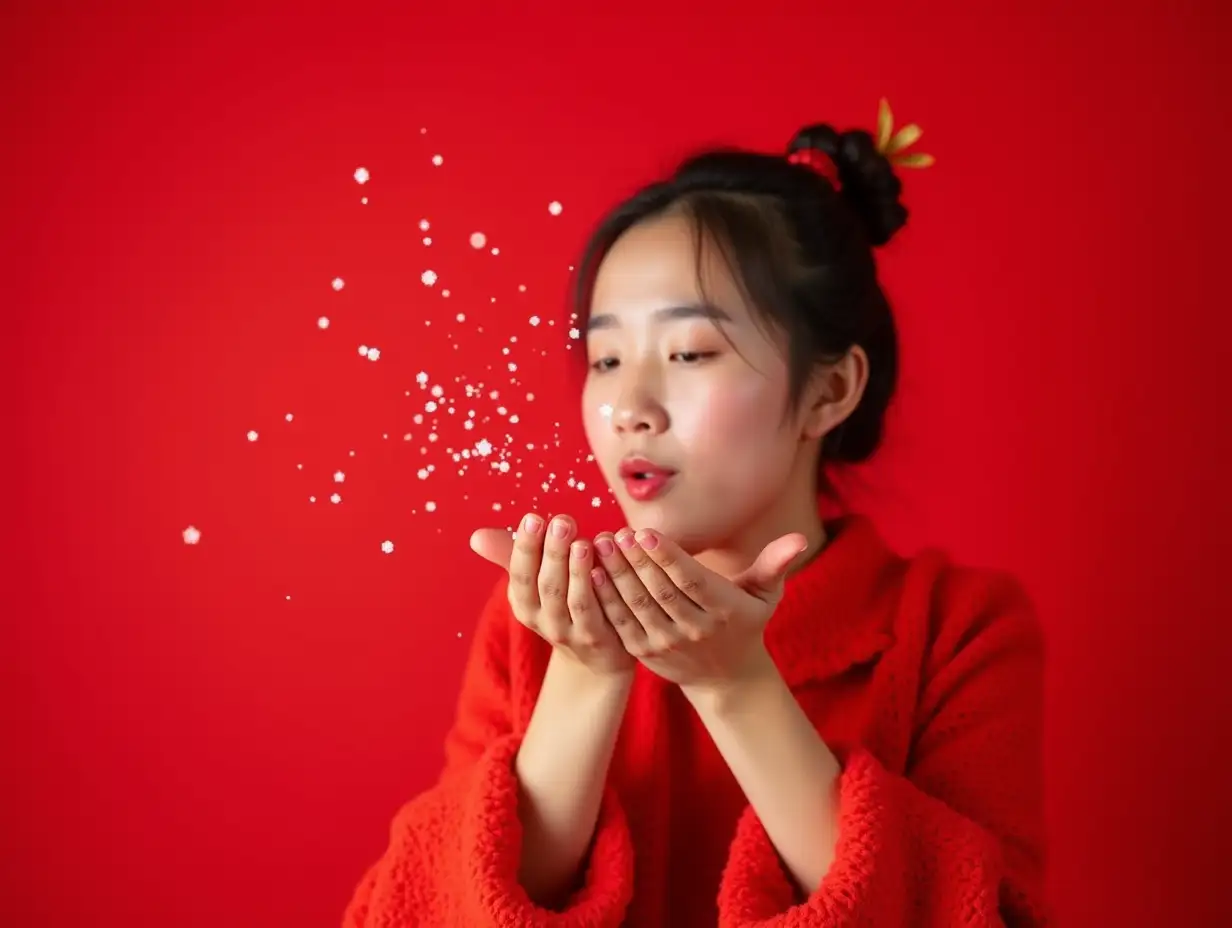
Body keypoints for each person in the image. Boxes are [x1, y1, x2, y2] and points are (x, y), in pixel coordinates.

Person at [342, 103, 1047, 927]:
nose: (628, 407)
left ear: (830, 390)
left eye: (689, 353)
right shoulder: (535, 621)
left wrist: (737, 684)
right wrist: (586, 672)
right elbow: (427, 909)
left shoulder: (958, 632)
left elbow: (975, 915)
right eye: (606, 358)